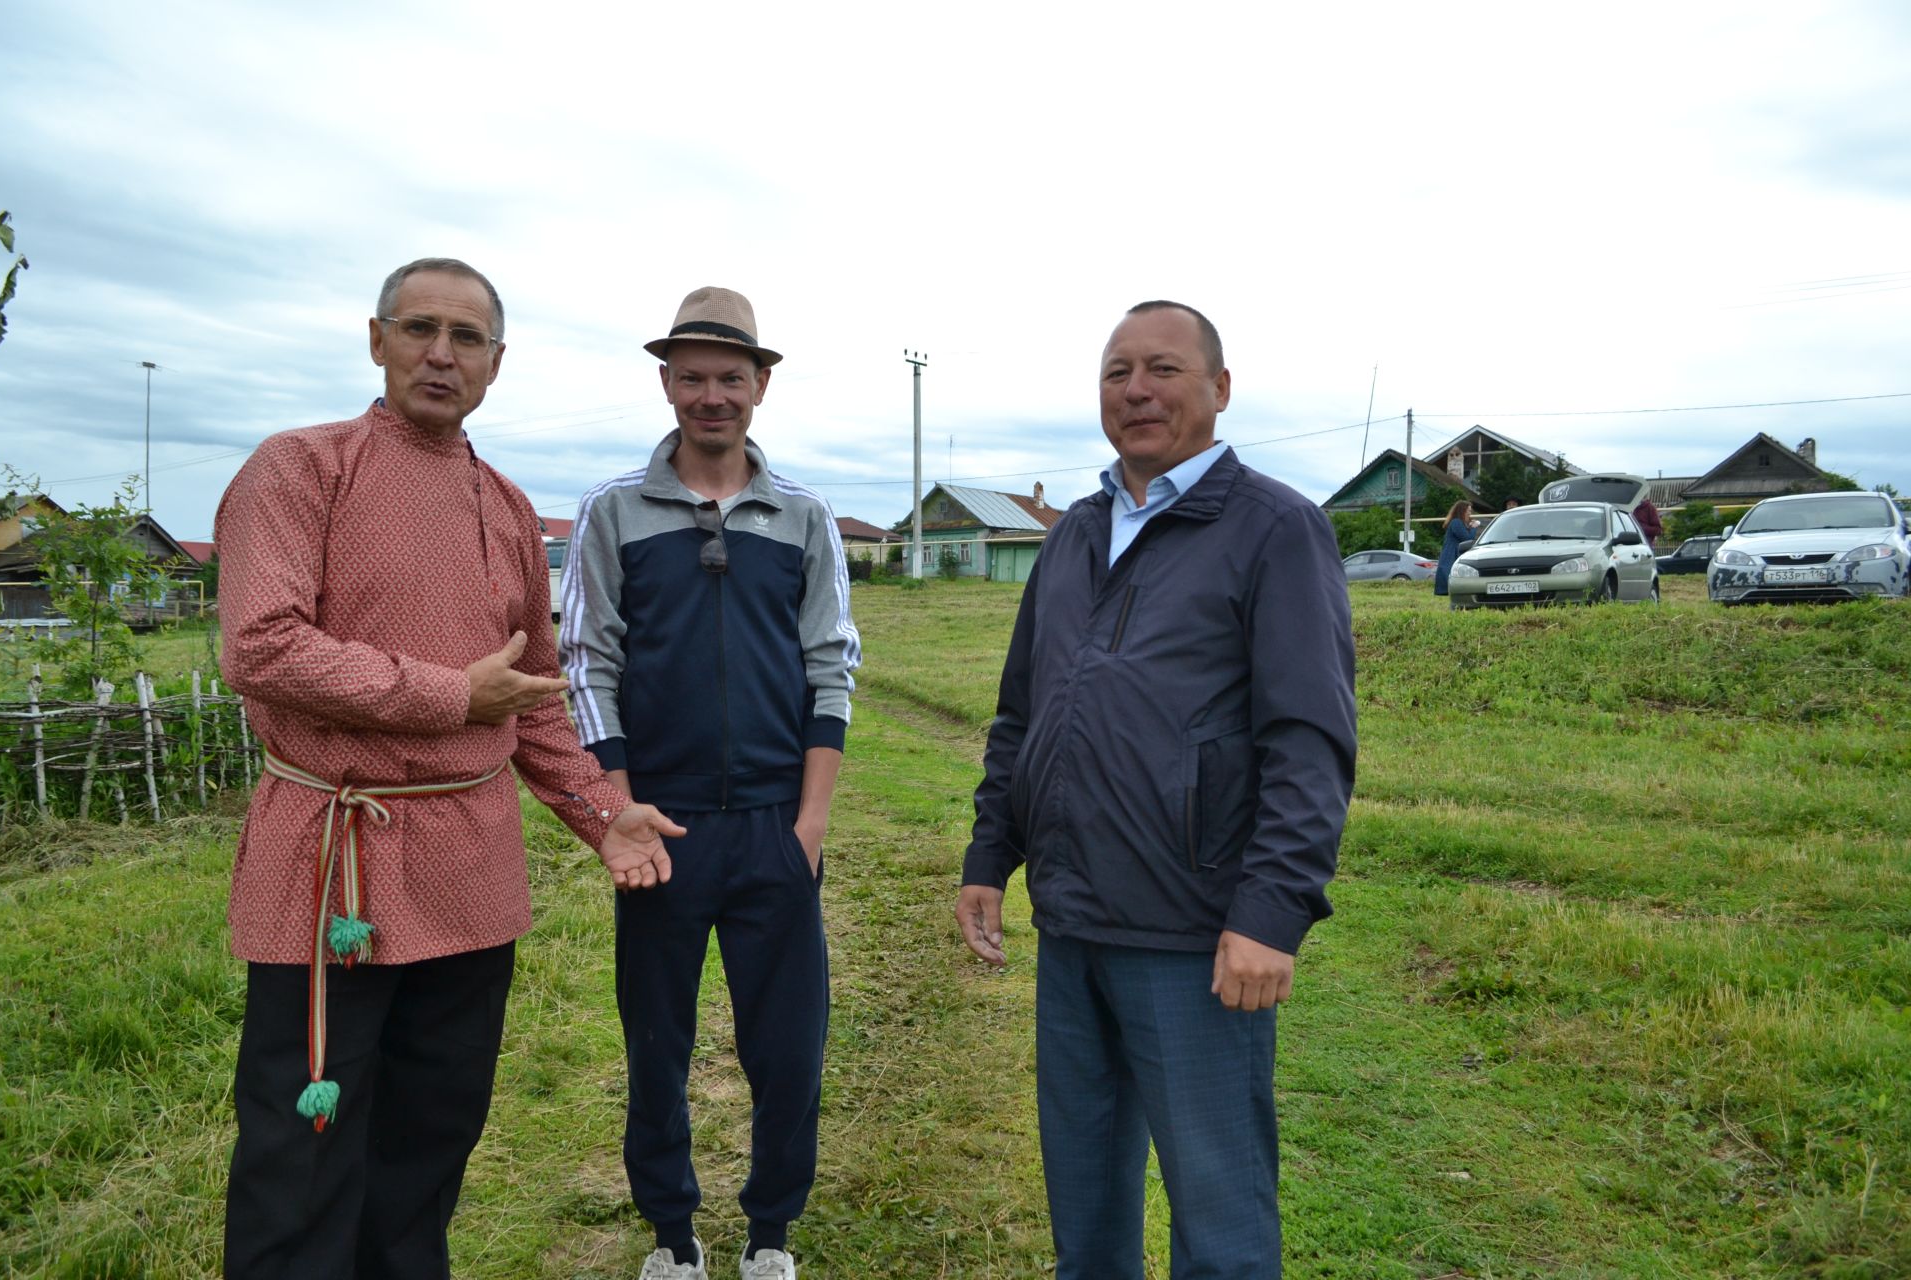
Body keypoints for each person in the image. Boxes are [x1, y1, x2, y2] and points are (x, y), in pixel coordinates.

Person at [214, 257, 685, 1279]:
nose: (441, 352)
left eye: (466, 337)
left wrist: (602, 812)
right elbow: (260, 643)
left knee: (430, 1143)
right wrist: (445, 695)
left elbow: (532, 692)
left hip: (470, 876)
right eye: (419, 327)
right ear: (376, 338)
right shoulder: (300, 468)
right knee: (302, 1148)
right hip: (332, 871)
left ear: (496, 363)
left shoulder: (510, 509)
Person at [956, 301, 1357, 1279]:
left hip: (1195, 936)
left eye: (1165, 368)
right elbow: (1022, 713)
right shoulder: (1073, 536)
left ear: (1219, 390)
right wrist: (987, 855)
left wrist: (1272, 909)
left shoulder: (1275, 530)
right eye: (1117, 371)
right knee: (1086, 1202)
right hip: (1074, 923)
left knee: (1218, 1213)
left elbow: (1309, 741)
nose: (1137, 388)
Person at [561, 286, 861, 1280]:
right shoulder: (614, 511)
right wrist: (621, 806)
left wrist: (809, 826)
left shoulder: (805, 517)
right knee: (658, 1041)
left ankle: (770, 1231)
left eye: (730, 375)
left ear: (761, 384)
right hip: (663, 826)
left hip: (776, 824)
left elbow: (832, 664)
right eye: (691, 375)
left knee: (788, 1050)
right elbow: (586, 662)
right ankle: (673, 1234)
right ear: (666, 383)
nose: (711, 394)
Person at [1433, 499, 1479, 595]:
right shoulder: (1456, 522)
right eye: (1469, 511)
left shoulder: (1457, 522)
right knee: (1450, 574)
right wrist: (1474, 527)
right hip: (1451, 553)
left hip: (1453, 552)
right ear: (1463, 511)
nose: (1470, 513)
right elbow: (1467, 538)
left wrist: (1470, 527)